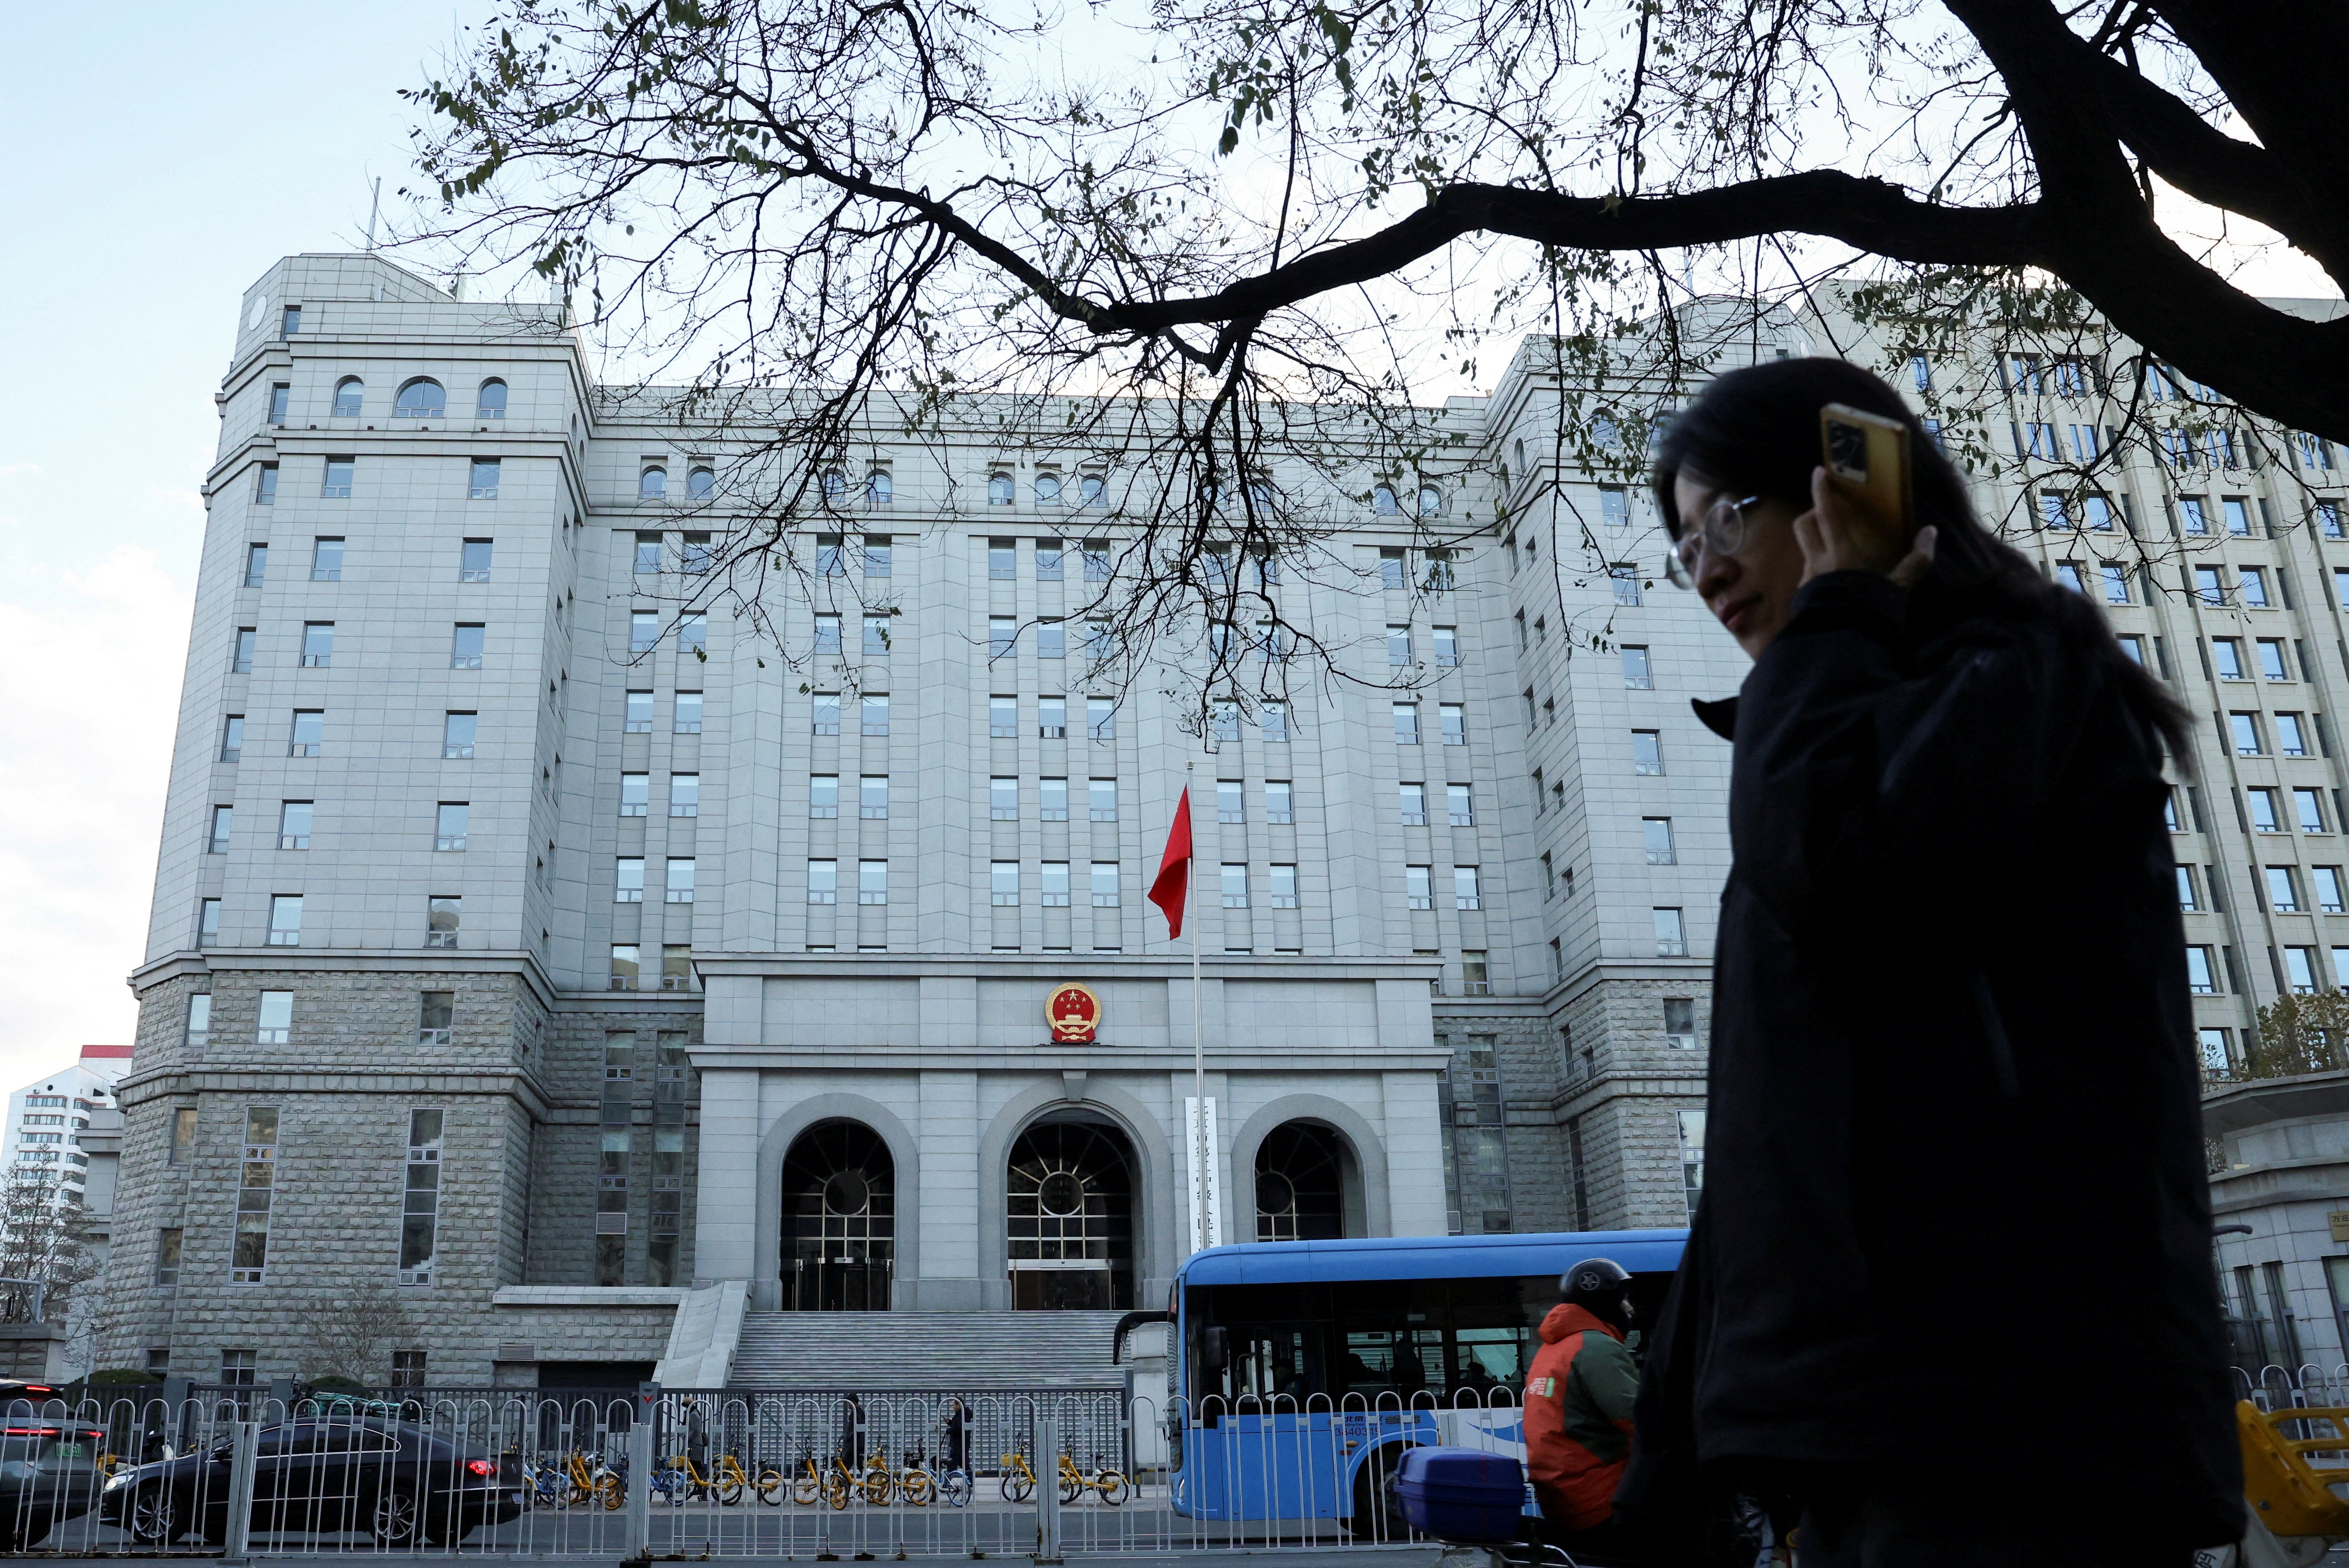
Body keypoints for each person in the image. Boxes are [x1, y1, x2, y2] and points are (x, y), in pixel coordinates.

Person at [1618, 356, 2242, 1566]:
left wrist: (1842, 617)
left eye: (1724, 519)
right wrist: (1671, 1443)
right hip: (1885, 1424)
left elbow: (1837, 875)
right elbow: (1772, 1130)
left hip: (2006, 1425)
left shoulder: (2016, 679)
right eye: (1679, 543)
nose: (1702, 568)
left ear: (1841, 486)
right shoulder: (1850, 717)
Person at [1523, 1259, 1641, 1558]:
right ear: (1607, 1301)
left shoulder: (1551, 1348)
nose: (1629, 1307)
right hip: (1597, 1497)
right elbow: (1641, 1420)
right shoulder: (1595, 1347)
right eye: (1623, 1298)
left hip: (1561, 1495)